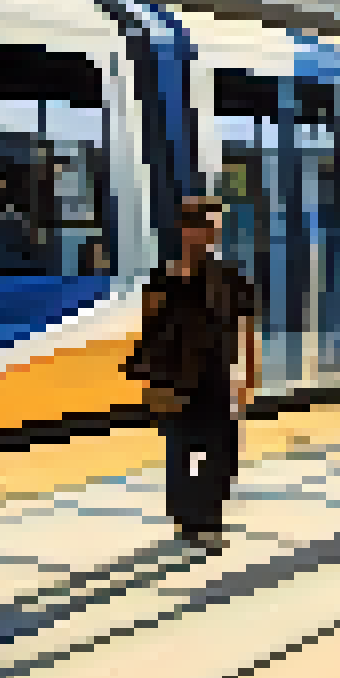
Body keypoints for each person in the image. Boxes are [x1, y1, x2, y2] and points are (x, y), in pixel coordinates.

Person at [123, 197, 260, 548]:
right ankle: (189, 519)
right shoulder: (163, 278)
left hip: (217, 376)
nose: (201, 234)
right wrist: (148, 379)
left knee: (223, 451)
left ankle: (207, 512)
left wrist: (248, 375)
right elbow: (149, 330)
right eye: (195, 227)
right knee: (180, 450)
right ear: (184, 232)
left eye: (207, 228)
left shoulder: (230, 278)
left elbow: (247, 328)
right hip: (177, 378)